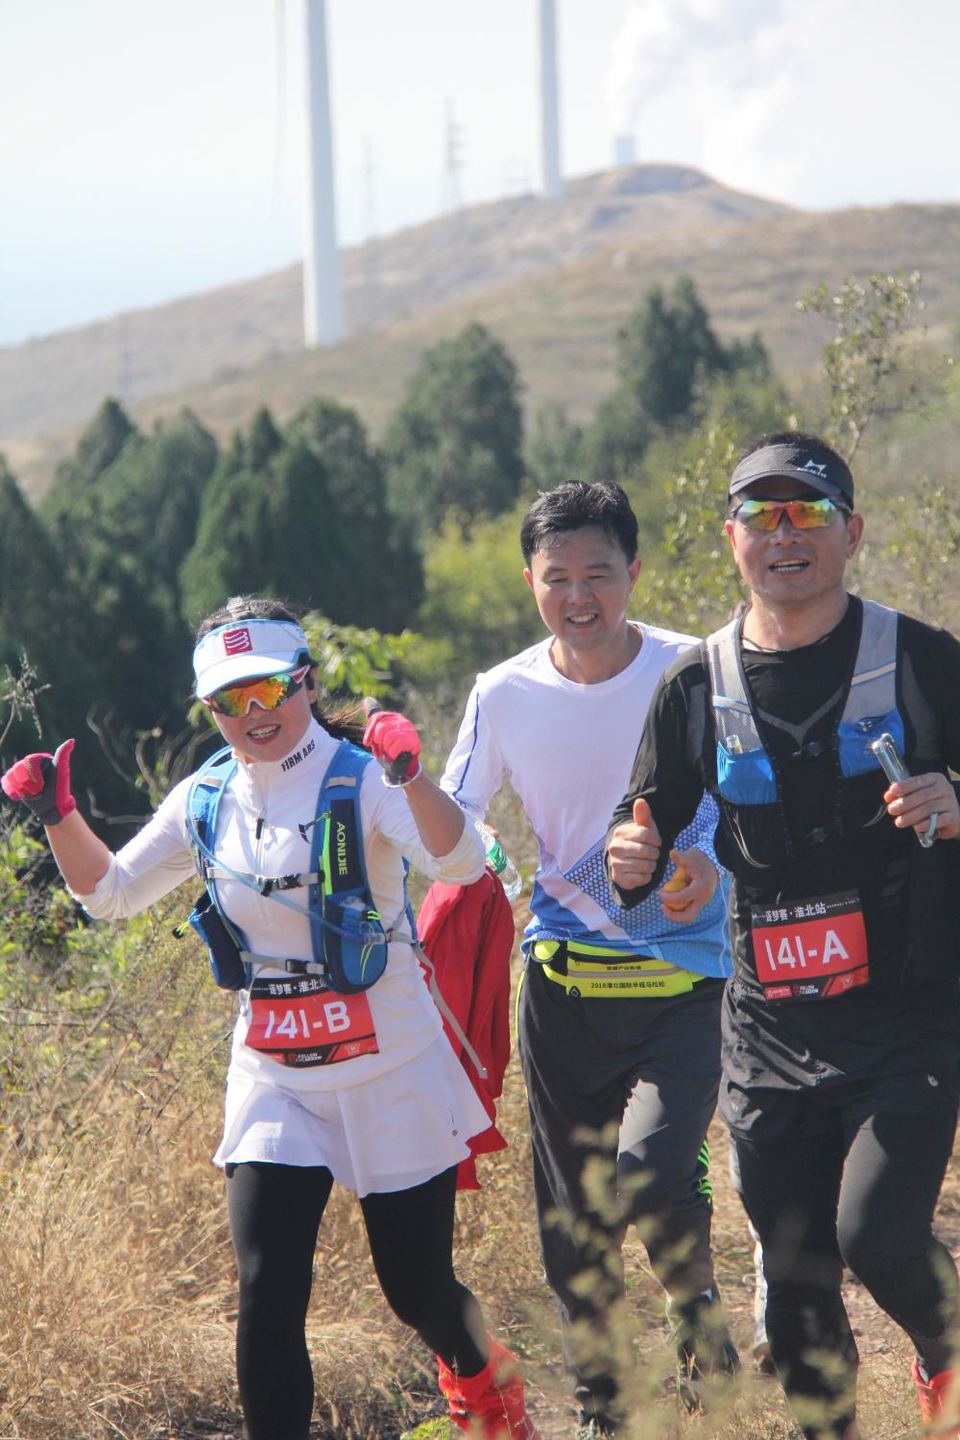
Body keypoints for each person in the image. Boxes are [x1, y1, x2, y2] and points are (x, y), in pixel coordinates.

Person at [1, 595, 541, 1440]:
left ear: (308, 682)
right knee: (267, 1288)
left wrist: (410, 775)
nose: (253, 713)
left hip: (391, 1068)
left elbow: (461, 863)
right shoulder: (206, 795)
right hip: (274, 1077)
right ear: (208, 707)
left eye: (269, 690)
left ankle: (488, 1387)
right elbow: (110, 894)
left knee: (417, 1290)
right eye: (229, 699)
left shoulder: (364, 778)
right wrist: (55, 815)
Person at [606, 431, 960, 1440]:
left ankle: (947, 1357)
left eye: (808, 513)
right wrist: (635, 854)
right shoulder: (694, 685)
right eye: (761, 516)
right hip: (770, 1027)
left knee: (877, 1235)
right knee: (798, 1280)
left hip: (907, 1014)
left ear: (854, 532)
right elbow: (646, 821)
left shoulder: (925, 660)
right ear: (731, 538)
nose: (784, 535)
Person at [441, 482, 741, 1438]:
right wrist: (478, 852)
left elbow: (748, 799)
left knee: (652, 1174)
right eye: (557, 577)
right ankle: (605, 1410)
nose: (579, 597)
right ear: (530, 580)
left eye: (598, 574)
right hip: (564, 986)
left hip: (685, 980)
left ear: (633, 572)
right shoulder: (503, 693)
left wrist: (701, 860)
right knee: (576, 1222)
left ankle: (699, 1323)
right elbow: (455, 820)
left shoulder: (693, 670)